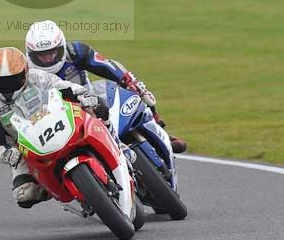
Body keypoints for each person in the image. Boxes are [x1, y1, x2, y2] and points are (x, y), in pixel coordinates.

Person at [0, 47, 108, 209]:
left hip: (57, 122)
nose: (7, 86)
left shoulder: (37, 77)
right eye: (1, 81)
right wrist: (8, 154)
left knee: (96, 106)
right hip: (24, 148)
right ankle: (53, 188)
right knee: (24, 195)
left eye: (13, 79)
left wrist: (83, 95)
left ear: (25, 73)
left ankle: (113, 139)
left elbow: (64, 86)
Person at [25, 20, 187, 154]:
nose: (47, 58)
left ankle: (159, 130)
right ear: (30, 54)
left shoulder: (75, 51)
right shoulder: (26, 73)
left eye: (52, 52)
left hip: (91, 102)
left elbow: (107, 65)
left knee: (140, 92)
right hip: (59, 120)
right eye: (41, 55)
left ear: (61, 46)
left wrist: (129, 81)